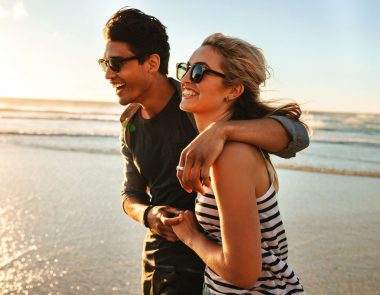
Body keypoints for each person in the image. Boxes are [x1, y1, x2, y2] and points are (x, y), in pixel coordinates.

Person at [99, 7, 309, 295]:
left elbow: (296, 135)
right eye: (105, 63)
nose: (108, 73)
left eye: (116, 62)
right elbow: (130, 193)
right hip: (163, 263)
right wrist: (149, 214)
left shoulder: (198, 106)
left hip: (208, 269)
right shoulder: (130, 125)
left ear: (151, 63)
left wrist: (222, 131)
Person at [171, 33, 306, 294]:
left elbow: (242, 274)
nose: (186, 78)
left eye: (198, 71)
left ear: (233, 90)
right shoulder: (225, 147)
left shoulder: (230, 156)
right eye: (185, 69)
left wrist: (191, 237)